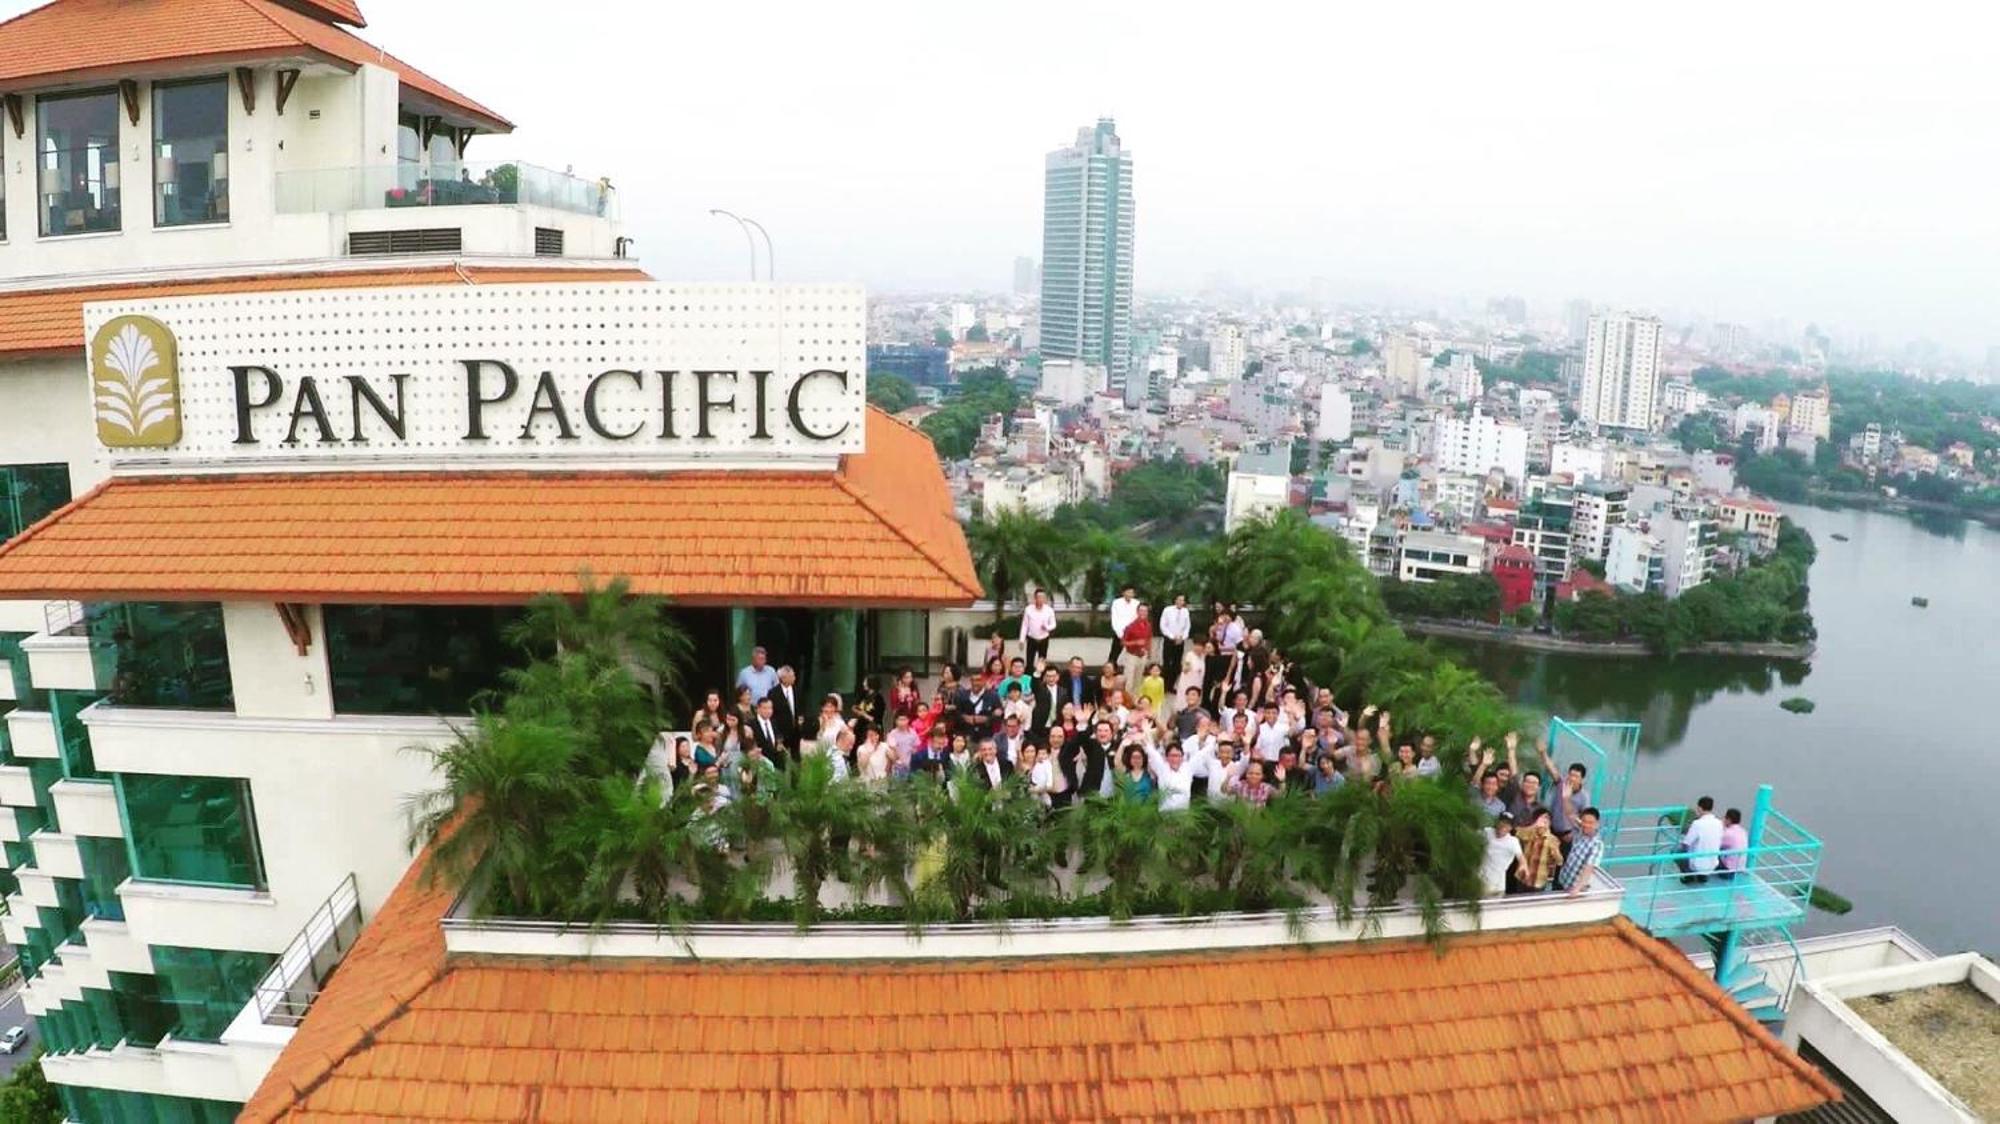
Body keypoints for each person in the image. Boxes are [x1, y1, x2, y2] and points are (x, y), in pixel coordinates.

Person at [1512, 807, 1563, 894]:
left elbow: (1559, 862)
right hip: (1523, 877)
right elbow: (1516, 832)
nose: (1544, 821)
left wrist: (1554, 850)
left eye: (1547, 818)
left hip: (1539, 881)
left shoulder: (1553, 839)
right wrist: (1534, 825)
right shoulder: (1529, 832)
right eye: (1541, 818)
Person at [1557, 807, 1604, 896]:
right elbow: (1572, 817)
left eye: (1590, 823)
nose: (1586, 825)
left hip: (1572, 888)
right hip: (1563, 878)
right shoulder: (1580, 831)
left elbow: (1589, 868)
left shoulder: (1597, 845)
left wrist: (1577, 889)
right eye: (1584, 821)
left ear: (1597, 824)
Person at [1678, 795, 1724, 883]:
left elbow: (1686, 844)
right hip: (1713, 864)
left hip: (1697, 865)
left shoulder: (1697, 824)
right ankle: (1702, 876)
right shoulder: (1719, 823)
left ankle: (1689, 876)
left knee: (1677, 852)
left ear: (1699, 808)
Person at [1480, 814, 1524, 898]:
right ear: (1497, 822)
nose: (1503, 826)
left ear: (1511, 828)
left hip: (1498, 885)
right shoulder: (1487, 832)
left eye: (1508, 824)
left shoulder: (1513, 842)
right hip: (1480, 881)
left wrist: (1523, 866)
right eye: (1502, 822)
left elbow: (1521, 857)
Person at [1549, 762, 1590, 845]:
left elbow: (1584, 820)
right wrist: (1543, 754)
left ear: (1581, 779)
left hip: (1566, 836)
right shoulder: (1561, 785)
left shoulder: (1584, 797)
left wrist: (1573, 834)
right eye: (1571, 775)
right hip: (1551, 831)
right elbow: (1552, 771)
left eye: (1576, 776)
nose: (1572, 778)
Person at [768, 666, 803, 760]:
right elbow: (772, 715)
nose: (794, 678)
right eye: (792, 676)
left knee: (796, 759)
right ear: (783, 678)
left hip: (796, 731)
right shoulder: (773, 693)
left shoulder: (797, 690)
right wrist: (777, 733)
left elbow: (800, 708)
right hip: (781, 732)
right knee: (782, 759)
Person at [1019, 588, 1057, 668]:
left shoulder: (1049, 610)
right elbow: (1025, 625)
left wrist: (1047, 627)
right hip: (1032, 639)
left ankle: (1040, 678)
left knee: (1041, 663)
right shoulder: (1028, 609)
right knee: (1029, 661)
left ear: (1045, 598)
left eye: (1043, 597)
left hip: (1044, 639)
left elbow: (1053, 624)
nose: (1041, 599)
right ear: (1035, 598)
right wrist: (1022, 640)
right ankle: (1029, 678)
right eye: (1039, 597)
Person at [1159, 594, 1191, 686]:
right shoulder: (1167, 610)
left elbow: (1187, 626)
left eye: (1183, 600)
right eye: (1179, 600)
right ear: (1175, 600)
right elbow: (1163, 625)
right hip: (1169, 640)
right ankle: (1164, 685)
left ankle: (1171, 685)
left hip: (1180, 641)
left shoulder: (1185, 611)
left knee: (1176, 664)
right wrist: (1172, 636)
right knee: (1167, 663)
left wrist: (1183, 637)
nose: (1181, 602)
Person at [1107, 585, 1141, 664]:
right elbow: (1115, 619)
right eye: (1128, 592)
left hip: (1132, 634)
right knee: (1114, 655)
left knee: (1132, 656)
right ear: (1123, 593)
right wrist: (1121, 634)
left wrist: (1132, 632)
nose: (1130, 594)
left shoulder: (1137, 603)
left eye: (1132, 593)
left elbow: (1136, 618)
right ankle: (1111, 671)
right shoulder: (1117, 602)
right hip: (1120, 633)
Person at [1718, 808, 1748, 881]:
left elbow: (1716, 844)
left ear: (1729, 820)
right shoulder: (1743, 831)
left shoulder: (1728, 833)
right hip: (1740, 867)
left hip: (1728, 870)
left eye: (1725, 818)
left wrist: (1722, 826)